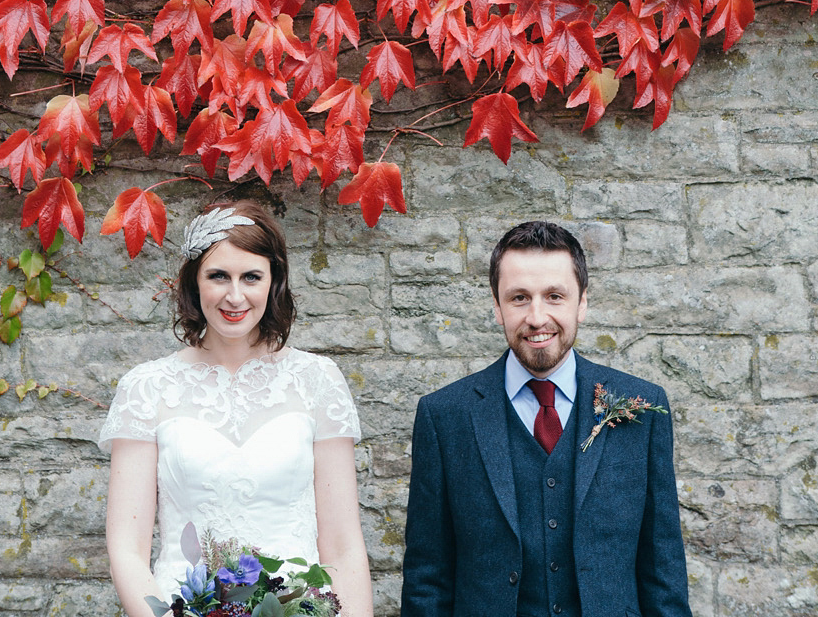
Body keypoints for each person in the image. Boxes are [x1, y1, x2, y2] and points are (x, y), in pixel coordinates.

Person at [400, 219, 692, 617]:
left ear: (582, 303)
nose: (537, 317)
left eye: (554, 296)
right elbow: (427, 576)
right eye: (520, 298)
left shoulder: (643, 408)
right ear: (497, 306)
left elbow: (663, 569)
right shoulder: (444, 416)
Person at [100, 199, 373, 617]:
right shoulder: (147, 388)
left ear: (273, 282)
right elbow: (127, 548)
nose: (234, 295)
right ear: (194, 283)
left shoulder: (318, 381)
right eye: (218, 276)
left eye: (251, 276)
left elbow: (343, 546)